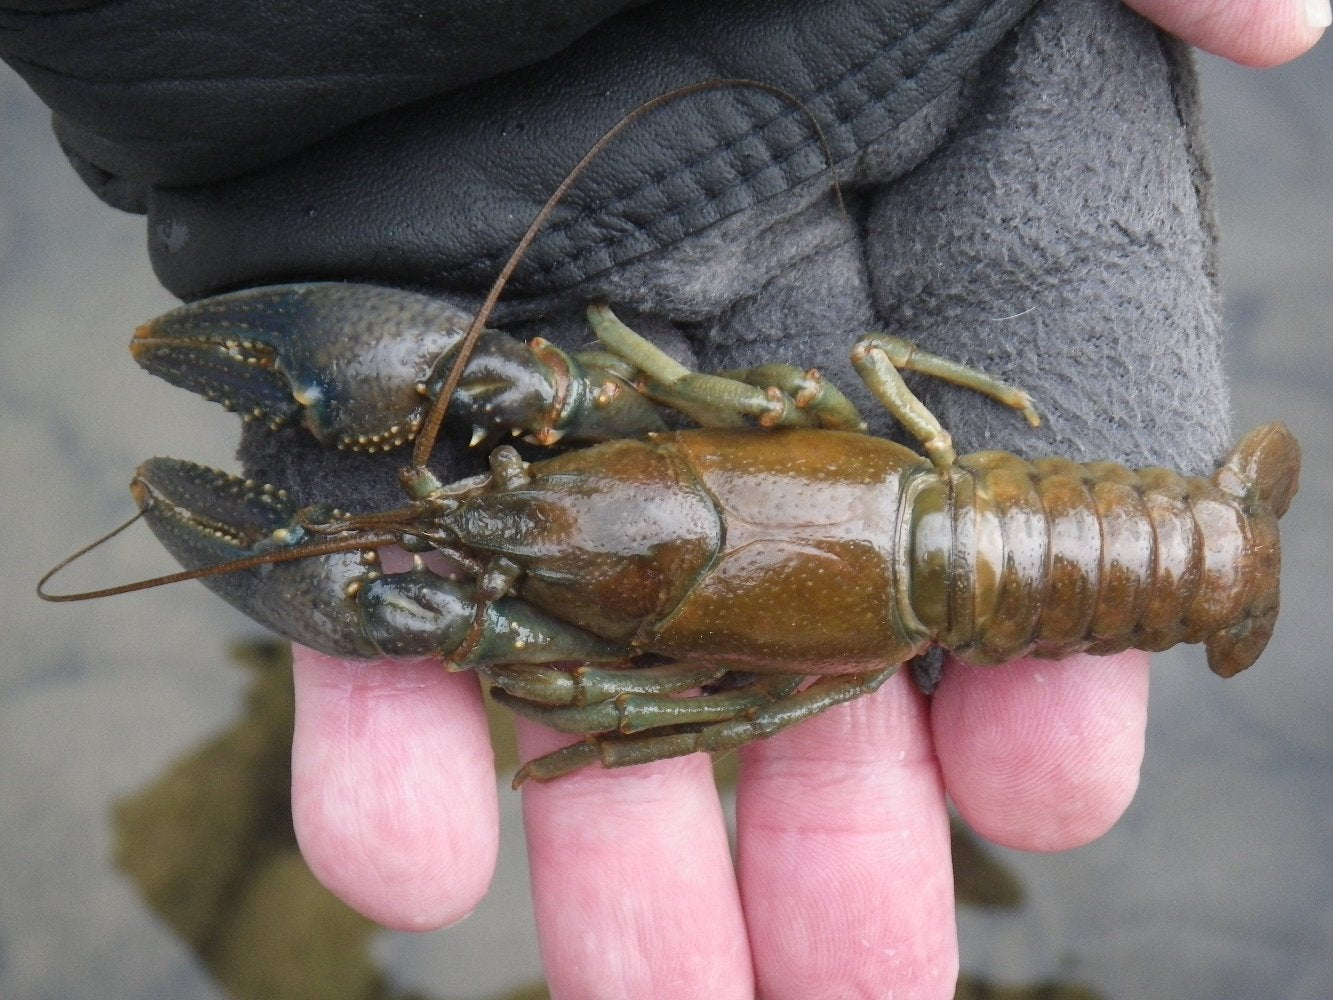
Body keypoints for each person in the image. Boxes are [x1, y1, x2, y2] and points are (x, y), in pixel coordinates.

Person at [5, 1, 1323, 997]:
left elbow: (638, 431)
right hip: (1018, 522)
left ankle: (1218, 557)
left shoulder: (734, 553)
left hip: (1096, 547)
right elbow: (852, 380)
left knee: (489, 568)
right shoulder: (777, 485)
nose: (496, 485)